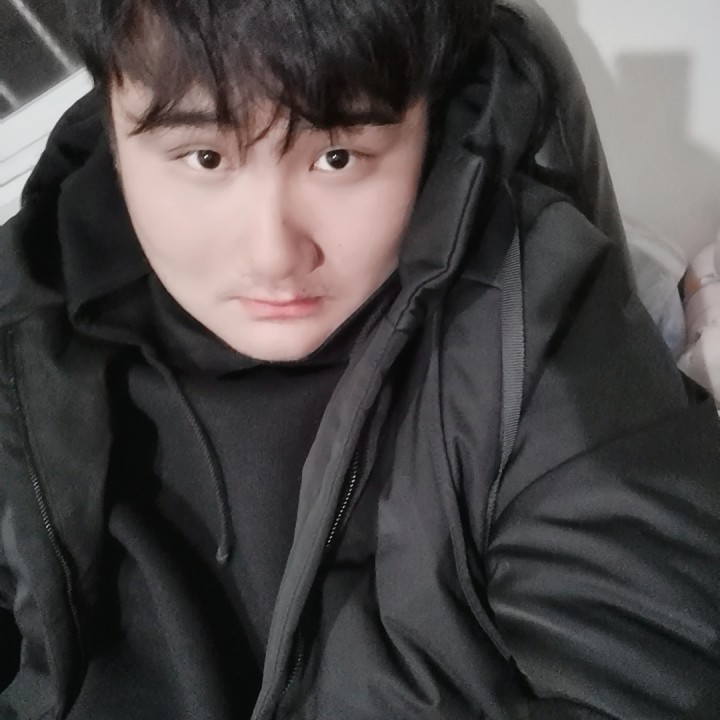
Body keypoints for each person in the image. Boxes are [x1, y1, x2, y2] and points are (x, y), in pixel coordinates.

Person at [1, 0, 719, 718]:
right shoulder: (24, 323)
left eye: (337, 157)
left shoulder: (535, 318)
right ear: (115, 135)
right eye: (206, 158)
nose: (273, 254)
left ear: (424, 123)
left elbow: (650, 652)